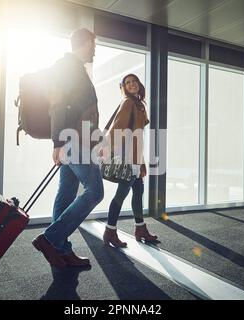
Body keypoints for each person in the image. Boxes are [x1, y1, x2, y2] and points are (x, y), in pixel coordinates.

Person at [32, 28, 104, 268]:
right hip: (73, 140)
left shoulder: (76, 69)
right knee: (95, 192)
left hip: (78, 139)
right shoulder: (67, 67)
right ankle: (51, 239)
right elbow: (58, 105)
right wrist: (58, 142)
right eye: (93, 44)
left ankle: (60, 249)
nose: (95, 49)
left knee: (65, 195)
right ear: (85, 43)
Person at [102, 74, 158, 248]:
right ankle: (110, 231)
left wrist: (141, 162)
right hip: (126, 158)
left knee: (138, 191)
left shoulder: (139, 104)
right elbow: (116, 128)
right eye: (128, 83)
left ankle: (140, 228)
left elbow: (138, 136)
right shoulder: (128, 102)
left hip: (134, 157)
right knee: (122, 193)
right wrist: (107, 151)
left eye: (134, 81)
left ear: (139, 84)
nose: (132, 84)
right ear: (124, 87)